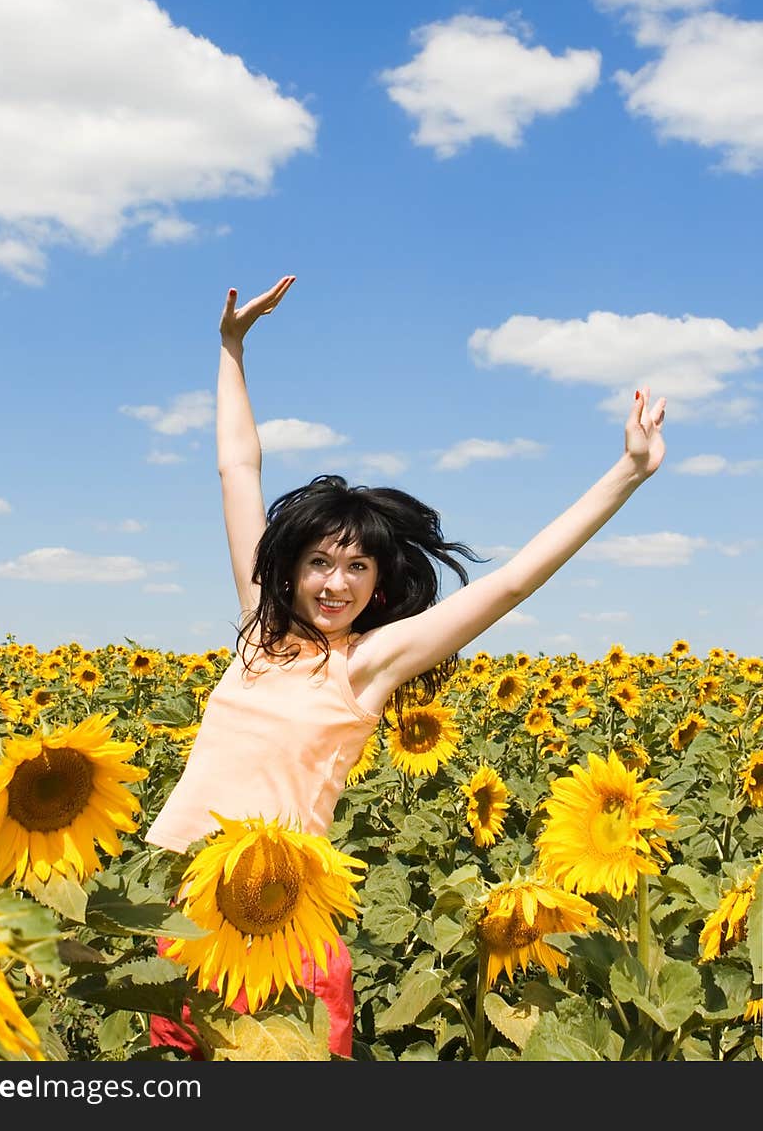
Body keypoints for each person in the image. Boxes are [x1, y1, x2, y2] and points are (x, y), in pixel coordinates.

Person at [145, 273, 667, 1057]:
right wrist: (231, 348)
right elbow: (237, 471)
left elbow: (512, 580)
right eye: (320, 561)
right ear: (287, 569)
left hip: (286, 930)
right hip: (187, 919)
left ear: (379, 584)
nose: (335, 582)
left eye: (357, 568)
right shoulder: (257, 630)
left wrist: (625, 475)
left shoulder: (368, 664)